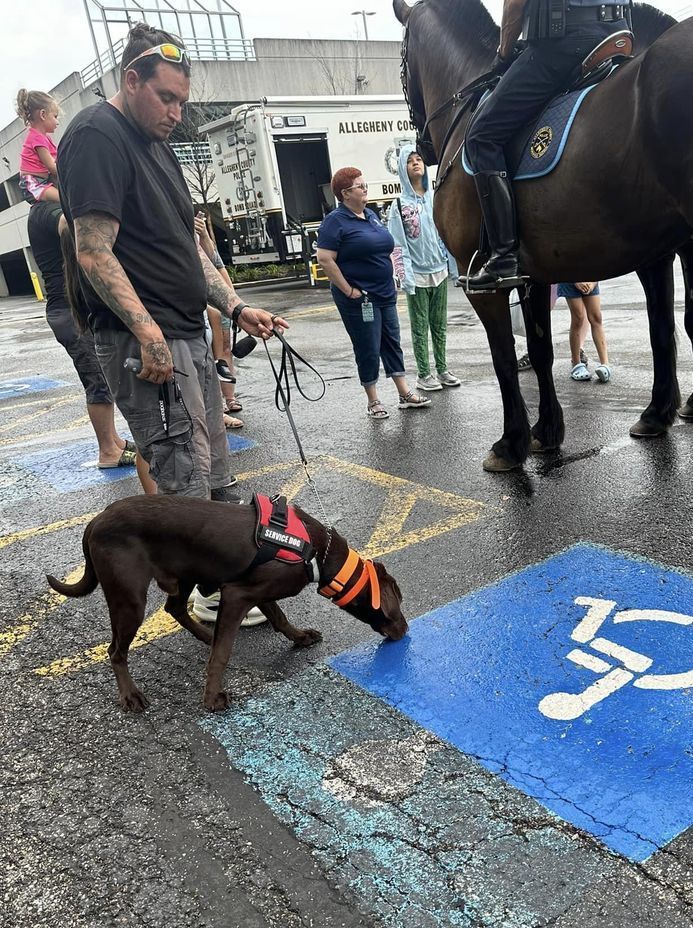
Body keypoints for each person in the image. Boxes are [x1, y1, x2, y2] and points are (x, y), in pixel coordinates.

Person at [57, 24, 285, 625]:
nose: (176, 113)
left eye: (183, 101)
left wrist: (235, 307)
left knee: (213, 461)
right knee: (179, 467)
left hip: (186, 332)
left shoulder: (157, 144)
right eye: (166, 98)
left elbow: (188, 247)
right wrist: (149, 334)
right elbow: (93, 250)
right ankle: (205, 593)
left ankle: (224, 575)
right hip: (147, 343)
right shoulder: (97, 136)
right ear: (131, 79)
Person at [463, 0, 628, 290]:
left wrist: (503, 55)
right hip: (618, 34)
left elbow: (515, 4)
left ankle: (503, 257)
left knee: (481, 137)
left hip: (564, 44)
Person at [26, 200, 141, 471]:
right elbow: (68, 225)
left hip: (69, 309)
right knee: (97, 381)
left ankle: (114, 441)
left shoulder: (45, 209)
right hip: (68, 311)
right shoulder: (46, 210)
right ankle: (108, 451)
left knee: (102, 379)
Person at [316, 166, 431, 420]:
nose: (365, 189)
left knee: (392, 340)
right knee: (367, 345)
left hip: (384, 292)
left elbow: (386, 248)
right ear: (345, 194)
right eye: (360, 186)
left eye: (364, 184)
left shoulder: (370, 215)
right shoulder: (335, 221)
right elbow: (325, 259)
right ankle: (373, 400)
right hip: (360, 297)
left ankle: (404, 393)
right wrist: (348, 290)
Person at [387, 145, 460, 392]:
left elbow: (445, 233)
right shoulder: (399, 205)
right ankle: (424, 373)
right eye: (410, 161)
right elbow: (397, 244)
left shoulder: (435, 198)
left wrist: (453, 266)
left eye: (419, 159)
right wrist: (404, 275)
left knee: (439, 324)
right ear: (402, 169)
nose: (416, 163)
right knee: (420, 326)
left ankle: (442, 368)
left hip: (438, 270)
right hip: (416, 275)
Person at [559, 281, 611, 381]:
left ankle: (605, 364)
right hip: (569, 277)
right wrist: (576, 282)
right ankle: (576, 363)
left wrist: (593, 282)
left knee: (596, 317)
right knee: (578, 318)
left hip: (590, 277)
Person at [16, 90, 61, 204]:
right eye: (55, 116)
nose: (57, 122)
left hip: (44, 180)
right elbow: (52, 167)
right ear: (43, 115)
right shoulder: (37, 138)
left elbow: (58, 160)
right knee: (64, 198)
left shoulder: (45, 138)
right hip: (32, 183)